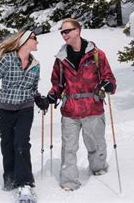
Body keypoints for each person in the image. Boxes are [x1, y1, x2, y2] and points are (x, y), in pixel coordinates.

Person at [46, 18, 117, 191]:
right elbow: (57, 83)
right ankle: (69, 182)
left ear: (78, 30)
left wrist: (109, 85)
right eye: (62, 32)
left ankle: (98, 168)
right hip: (70, 110)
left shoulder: (96, 54)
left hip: (92, 107)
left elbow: (109, 77)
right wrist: (53, 94)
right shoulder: (61, 59)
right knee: (69, 148)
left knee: (95, 143)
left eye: (67, 31)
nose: (64, 35)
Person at [0, 30, 49, 191]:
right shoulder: (7, 59)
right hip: (6, 109)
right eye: (34, 38)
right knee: (8, 144)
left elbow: (33, 88)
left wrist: (38, 99)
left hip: (25, 108)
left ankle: (25, 182)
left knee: (21, 143)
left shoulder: (35, 65)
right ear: (25, 41)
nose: (37, 41)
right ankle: (10, 178)